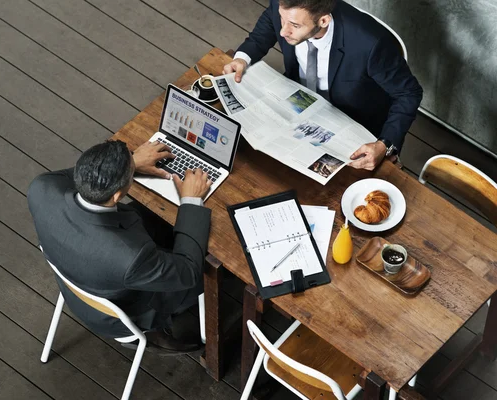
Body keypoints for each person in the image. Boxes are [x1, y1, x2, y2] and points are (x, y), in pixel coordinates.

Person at [28, 139, 212, 354]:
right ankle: (152, 333)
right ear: (116, 195)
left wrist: (130, 163)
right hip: (125, 312)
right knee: (212, 270)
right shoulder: (129, 257)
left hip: (75, 285)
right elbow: (188, 270)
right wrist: (191, 201)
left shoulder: (41, 188)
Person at [223, 0, 423, 170]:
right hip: (297, 102)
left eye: (294, 25)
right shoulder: (283, 6)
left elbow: (409, 93)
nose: (283, 31)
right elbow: (268, 23)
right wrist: (242, 58)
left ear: (323, 20)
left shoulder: (370, 44)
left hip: (353, 123)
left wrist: (384, 144)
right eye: (282, 19)